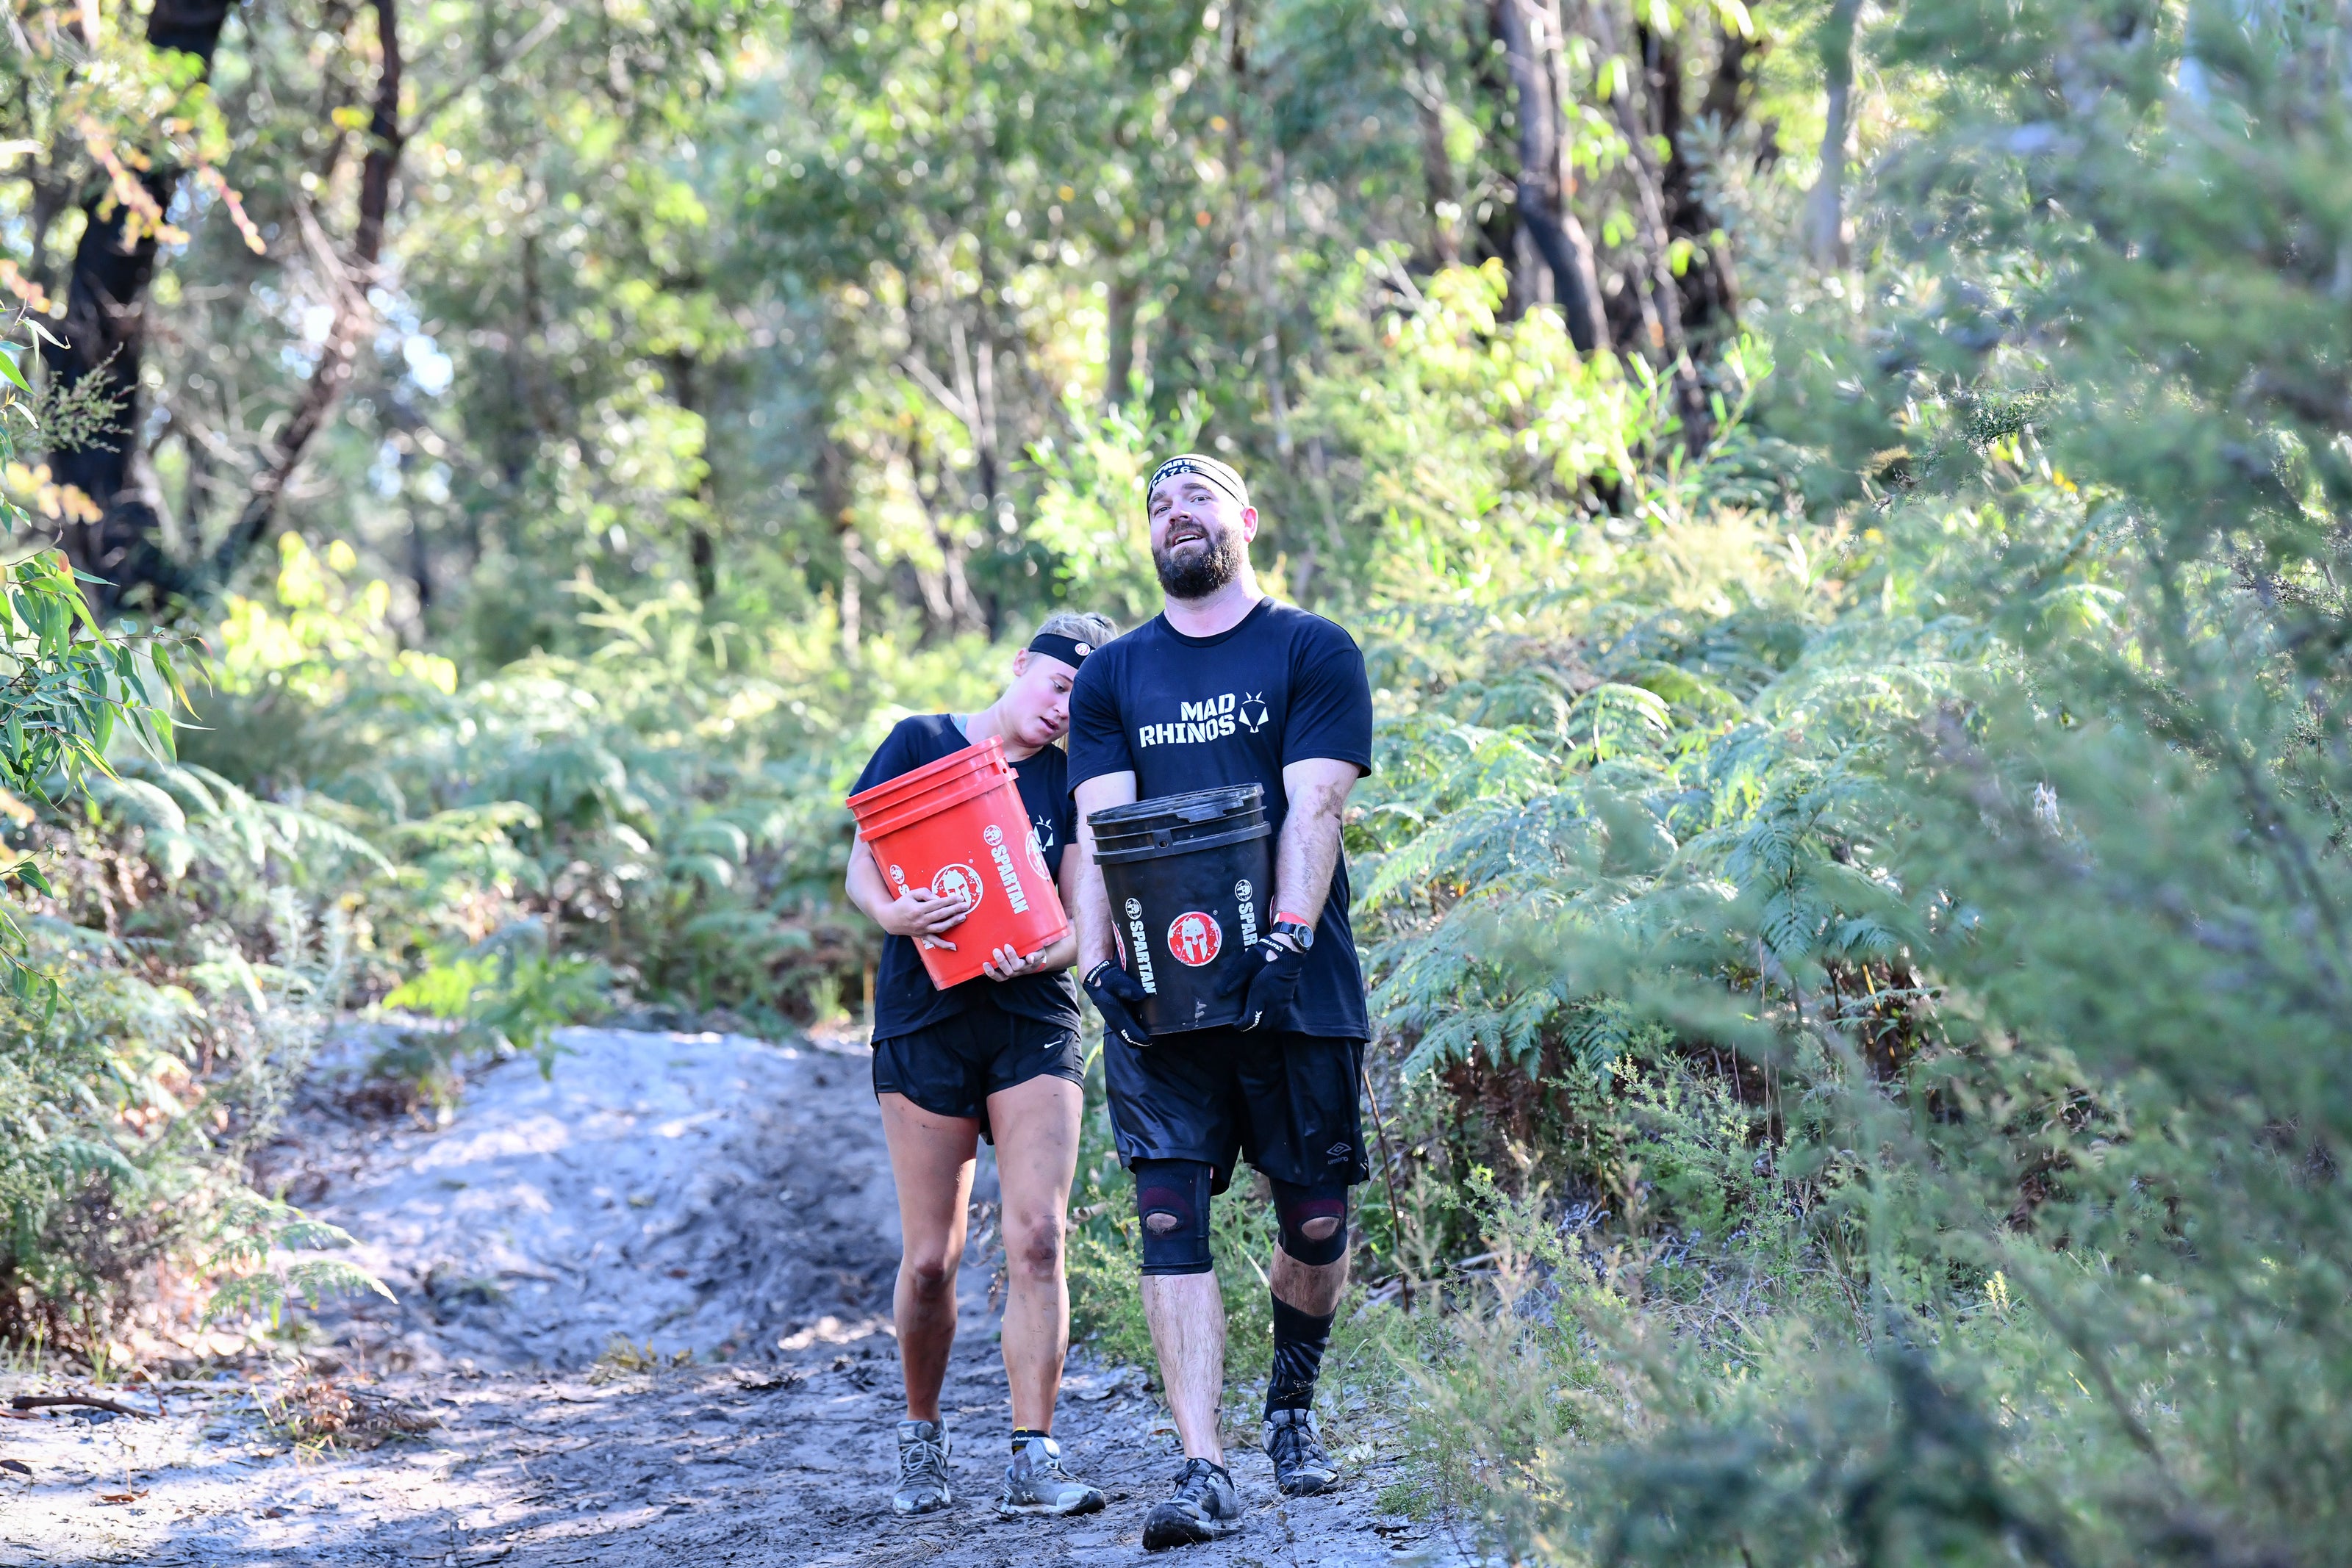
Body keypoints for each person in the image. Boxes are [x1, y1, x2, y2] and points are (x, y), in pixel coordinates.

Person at [1065, 455, 1374, 1549]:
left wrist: (1287, 939)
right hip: (1160, 1003)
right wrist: (1096, 965)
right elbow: (1096, 830)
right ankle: (1204, 1465)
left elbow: (1317, 803)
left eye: (1197, 497)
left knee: (1316, 1218)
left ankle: (1291, 1406)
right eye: (1157, 504)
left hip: (1296, 988)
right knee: (1169, 1222)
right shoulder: (1112, 677)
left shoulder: (1311, 648)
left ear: (1244, 518)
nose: (1175, 514)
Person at [844, 609, 1119, 1520]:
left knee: (1039, 1235)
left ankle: (1031, 1454)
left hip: (1029, 1018)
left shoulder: (1076, 779)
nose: (1062, 713)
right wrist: (896, 918)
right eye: (1057, 687)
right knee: (931, 1258)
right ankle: (920, 1438)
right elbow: (864, 869)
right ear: (1019, 666)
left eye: (1083, 704)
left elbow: (1085, 923)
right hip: (924, 1019)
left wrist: (1044, 951)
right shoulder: (918, 741)